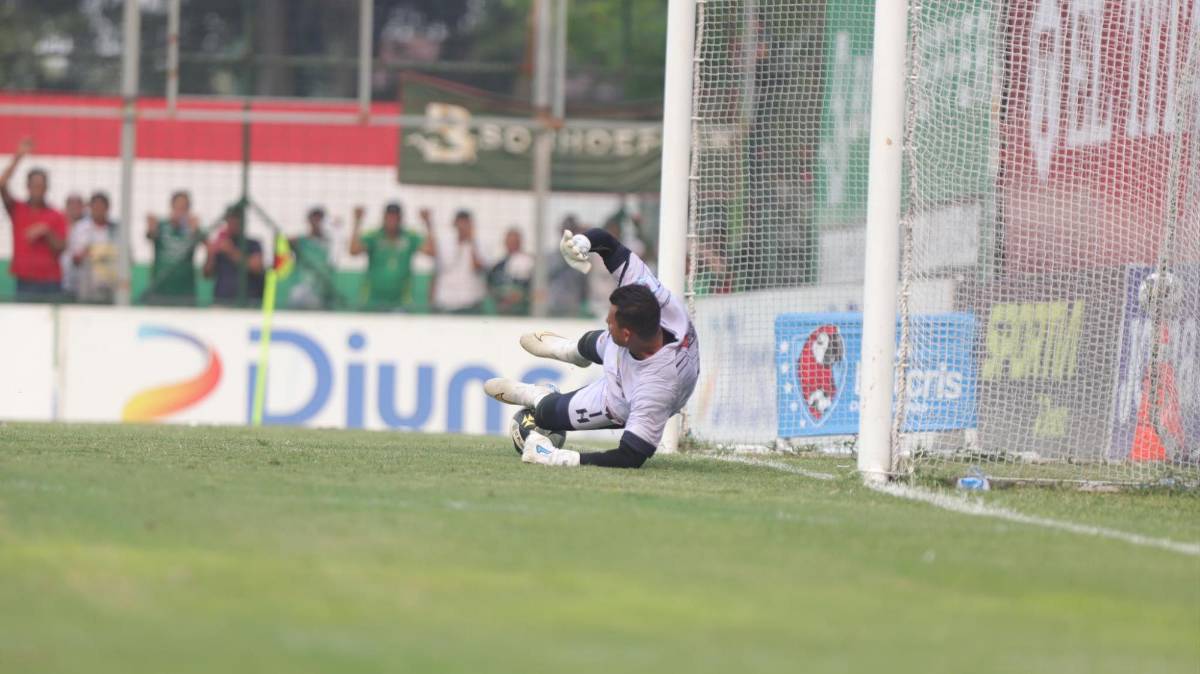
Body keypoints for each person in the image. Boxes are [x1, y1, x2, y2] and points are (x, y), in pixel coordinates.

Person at [484, 226, 700, 468]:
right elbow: (610, 244)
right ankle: (569, 350)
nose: (607, 322)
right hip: (640, 347)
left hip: (620, 398)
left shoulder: (656, 390)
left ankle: (536, 394)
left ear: (627, 334)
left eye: (612, 322)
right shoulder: (650, 296)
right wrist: (582, 243)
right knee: (594, 342)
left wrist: (558, 458)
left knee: (546, 414)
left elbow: (630, 456)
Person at [0, 137, 67, 301]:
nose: (37, 189)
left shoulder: (56, 215)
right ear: (27, 187)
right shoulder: (18, 209)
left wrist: (46, 232)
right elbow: (1, 184)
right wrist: (18, 157)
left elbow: (61, 247)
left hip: (50, 281)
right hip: (25, 281)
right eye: (34, 185)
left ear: (47, 188)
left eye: (41, 186)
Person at [349, 202, 433, 311]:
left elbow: (431, 251)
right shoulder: (374, 236)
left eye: (395, 217)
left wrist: (427, 223)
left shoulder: (409, 237)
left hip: (401, 301)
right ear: (384, 217)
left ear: (400, 218)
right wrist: (357, 221)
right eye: (389, 216)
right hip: (372, 300)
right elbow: (353, 251)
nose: (392, 220)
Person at [145, 190, 202, 305]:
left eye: (184, 208)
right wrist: (151, 227)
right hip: (160, 290)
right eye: (178, 207)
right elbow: (149, 236)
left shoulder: (192, 228)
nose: (180, 211)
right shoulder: (161, 226)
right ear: (171, 207)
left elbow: (208, 245)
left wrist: (196, 230)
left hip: (185, 292)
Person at [65, 191, 119, 302]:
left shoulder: (116, 230)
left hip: (111, 287)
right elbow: (74, 258)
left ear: (108, 208)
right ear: (90, 207)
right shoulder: (81, 228)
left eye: (102, 207)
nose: (99, 210)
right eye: (96, 207)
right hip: (86, 288)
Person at [204, 205, 264, 305]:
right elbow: (207, 274)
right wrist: (210, 253)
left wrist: (232, 252)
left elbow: (256, 267)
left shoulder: (253, 244)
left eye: (236, 220)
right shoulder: (221, 244)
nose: (233, 224)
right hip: (222, 302)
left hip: (249, 302)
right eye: (230, 220)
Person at [431, 209, 487, 314]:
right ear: (454, 223)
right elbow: (435, 269)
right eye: (460, 222)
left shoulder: (481, 244)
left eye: (466, 223)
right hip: (445, 302)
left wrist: (471, 242)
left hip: (470, 303)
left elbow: (477, 267)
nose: (462, 226)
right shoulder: (444, 243)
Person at [288, 205, 336, 310]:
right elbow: (282, 244)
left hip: (322, 292)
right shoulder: (300, 241)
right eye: (314, 218)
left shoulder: (330, 243)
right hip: (302, 289)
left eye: (320, 219)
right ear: (309, 221)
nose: (317, 222)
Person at [545, 215, 588, 317]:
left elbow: (585, 286)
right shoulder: (550, 257)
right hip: (552, 307)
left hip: (574, 309)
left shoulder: (584, 258)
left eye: (572, 231)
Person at [488, 227, 534, 316]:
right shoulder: (498, 267)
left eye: (515, 242)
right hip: (501, 312)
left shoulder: (530, 263)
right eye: (510, 242)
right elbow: (490, 286)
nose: (512, 245)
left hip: (523, 312)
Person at [58, 192, 86, 295]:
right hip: (60, 281)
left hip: (82, 283)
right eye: (71, 205)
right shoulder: (59, 225)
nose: (74, 209)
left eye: (78, 206)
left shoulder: (88, 227)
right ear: (66, 207)